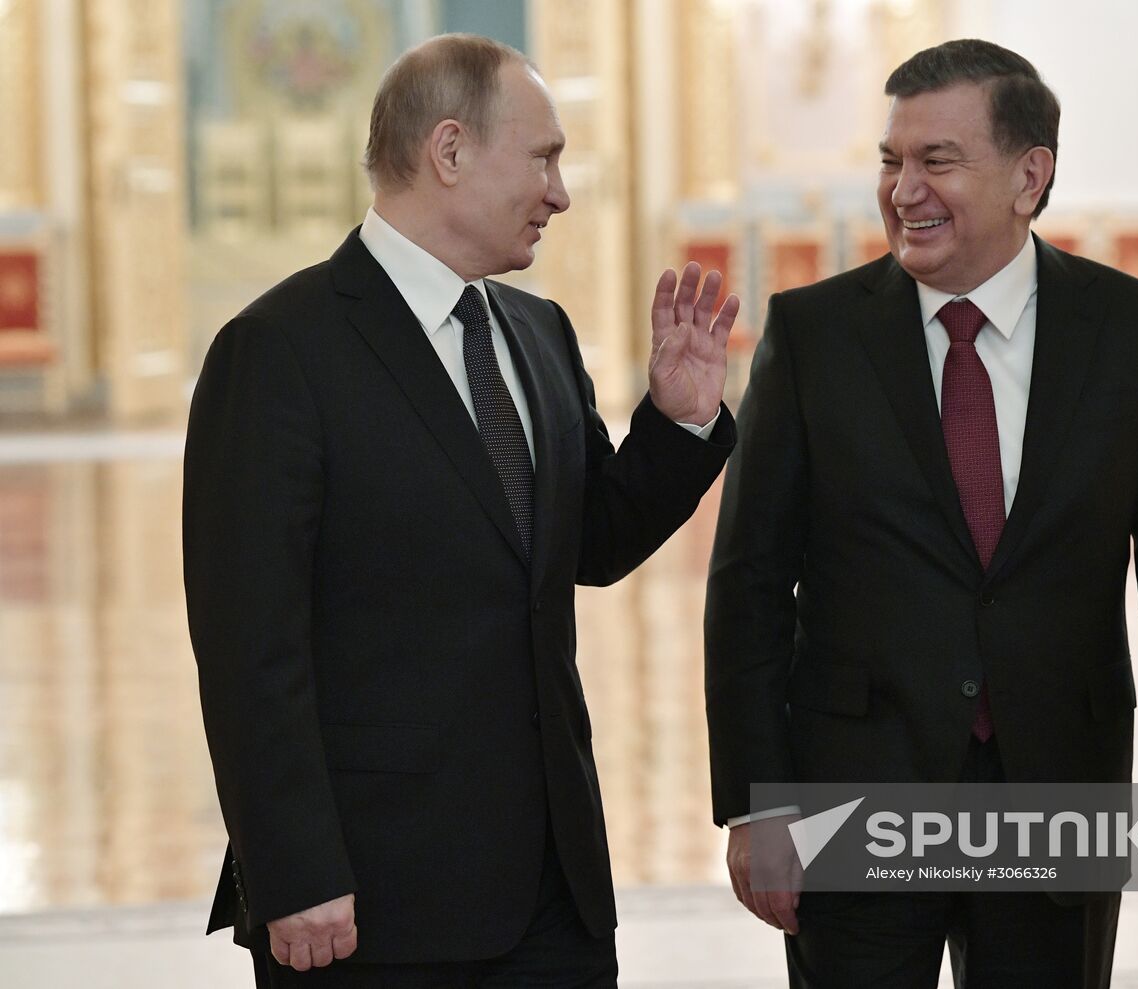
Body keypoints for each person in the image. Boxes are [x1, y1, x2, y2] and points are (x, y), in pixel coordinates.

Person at [184, 33, 738, 988]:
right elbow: (248, 647)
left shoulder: (536, 329)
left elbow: (587, 543)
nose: (561, 192)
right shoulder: (279, 350)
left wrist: (678, 425)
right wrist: (294, 867)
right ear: (448, 152)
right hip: (371, 900)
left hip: (555, 894)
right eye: (544, 157)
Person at [704, 39, 1138, 988]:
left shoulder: (1134, 332)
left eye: (936, 161)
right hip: (853, 796)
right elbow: (748, 583)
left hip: (1055, 791)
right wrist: (759, 805)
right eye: (890, 161)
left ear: (1029, 176)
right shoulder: (813, 335)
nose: (904, 189)